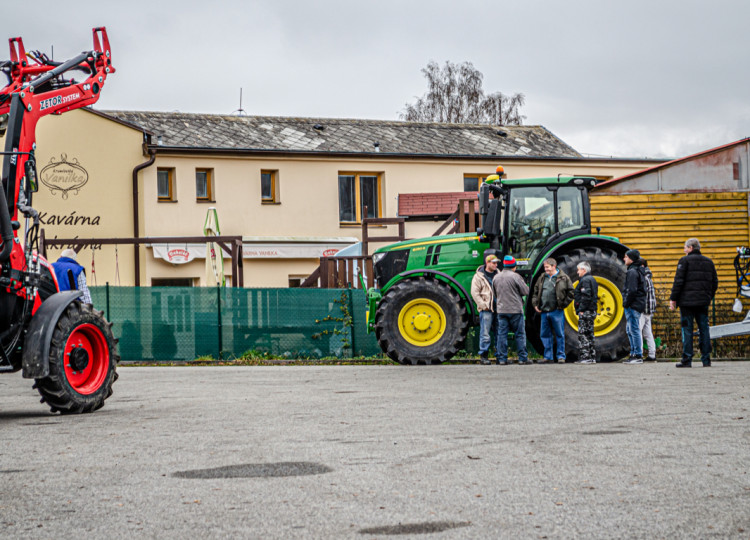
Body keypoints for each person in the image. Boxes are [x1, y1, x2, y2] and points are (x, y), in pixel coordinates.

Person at [669, 238, 719, 368]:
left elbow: (678, 282)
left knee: (687, 330)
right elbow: (715, 283)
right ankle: (706, 359)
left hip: (687, 304)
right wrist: (708, 297)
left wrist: (673, 299)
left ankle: (687, 359)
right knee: (704, 330)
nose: (684, 250)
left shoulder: (684, 261)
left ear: (691, 248)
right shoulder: (709, 262)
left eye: (685, 247)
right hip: (703, 303)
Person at [531, 257, 575, 363]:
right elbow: (535, 291)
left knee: (559, 334)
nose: (545, 269)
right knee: (545, 335)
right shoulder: (542, 277)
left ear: (553, 266)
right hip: (544, 311)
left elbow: (571, 292)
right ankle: (548, 357)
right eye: (545, 267)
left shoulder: (563, 278)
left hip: (557, 311)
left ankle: (561, 356)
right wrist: (535, 304)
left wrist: (563, 304)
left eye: (547, 267)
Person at [493, 255, 530, 365]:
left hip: (501, 310)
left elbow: (495, 294)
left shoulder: (496, 277)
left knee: (502, 335)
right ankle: (522, 358)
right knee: (519, 334)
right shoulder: (516, 276)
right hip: (515, 310)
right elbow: (525, 291)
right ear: (514, 266)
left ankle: (502, 359)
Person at [471, 254, 500, 365]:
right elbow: (475, 292)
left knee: (499, 333)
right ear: (487, 263)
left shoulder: (499, 274)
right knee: (485, 333)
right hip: (486, 309)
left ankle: (500, 356)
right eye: (493, 263)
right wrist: (483, 305)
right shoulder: (478, 276)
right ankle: (484, 356)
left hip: (498, 308)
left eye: (496, 263)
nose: (496, 265)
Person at [622, 249, 647, 364]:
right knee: (630, 330)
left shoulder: (632, 272)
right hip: (635, 304)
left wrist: (626, 303)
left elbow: (631, 290)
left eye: (626, 257)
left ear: (631, 259)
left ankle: (637, 355)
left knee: (634, 329)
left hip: (633, 305)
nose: (624, 259)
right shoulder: (637, 270)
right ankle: (633, 354)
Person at [573, 261, 599, 364]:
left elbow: (586, 296)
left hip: (586, 311)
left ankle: (585, 357)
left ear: (584, 270)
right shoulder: (592, 279)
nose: (577, 272)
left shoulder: (585, 280)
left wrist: (581, 310)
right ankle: (592, 357)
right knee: (590, 334)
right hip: (591, 310)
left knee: (583, 334)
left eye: (578, 269)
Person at [639, 259, 657, 361]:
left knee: (638, 332)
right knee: (648, 333)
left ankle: (639, 353)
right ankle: (652, 354)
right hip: (649, 310)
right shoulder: (649, 278)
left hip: (643, 309)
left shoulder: (643, 279)